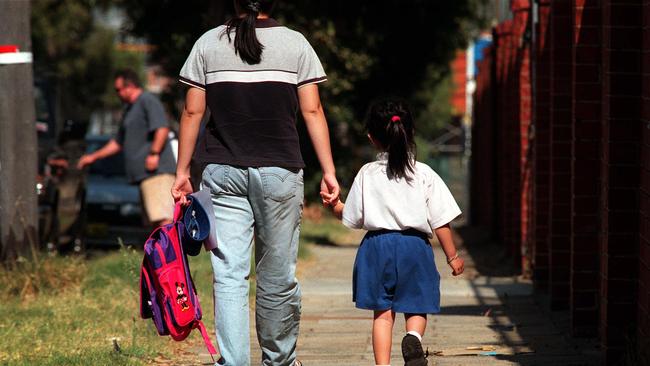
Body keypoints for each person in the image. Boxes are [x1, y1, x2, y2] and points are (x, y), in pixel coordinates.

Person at [171, 1, 340, 365]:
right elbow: (312, 110)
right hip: (280, 172)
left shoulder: (208, 43)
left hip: (222, 170)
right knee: (277, 274)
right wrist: (328, 170)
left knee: (229, 274)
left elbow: (192, 111)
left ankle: (233, 362)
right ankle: (278, 360)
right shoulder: (296, 44)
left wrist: (182, 171)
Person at [322, 98, 465, 366]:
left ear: (372, 138)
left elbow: (353, 216)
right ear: (409, 133)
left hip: (376, 248)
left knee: (383, 314)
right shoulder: (423, 173)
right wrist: (452, 256)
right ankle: (413, 338)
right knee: (417, 304)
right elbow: (441, 221)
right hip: (415, 247)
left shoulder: (367, 173)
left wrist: (335, 205)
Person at [78, 69, 177, 228]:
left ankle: (170, 253)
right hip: (145, 176)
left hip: (157, 173)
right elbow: (118, 143)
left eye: (118, 89)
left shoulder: (147, 100)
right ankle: (159, 253)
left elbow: (162, 128)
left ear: (130, 86)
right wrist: (93, 156)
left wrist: (154, 153)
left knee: (164, 220)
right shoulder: (129, 109)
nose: (117, 94)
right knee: (153, 222)